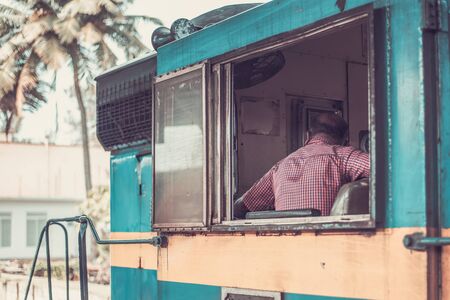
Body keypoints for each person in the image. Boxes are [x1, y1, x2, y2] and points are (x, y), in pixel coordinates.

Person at [234, 112, 370, 218]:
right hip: (330, 247)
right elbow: (387, 171)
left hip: (287, 248)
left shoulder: (280, 166)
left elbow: (241, 207)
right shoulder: (344, 156)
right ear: (345, 139)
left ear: (307, 135)